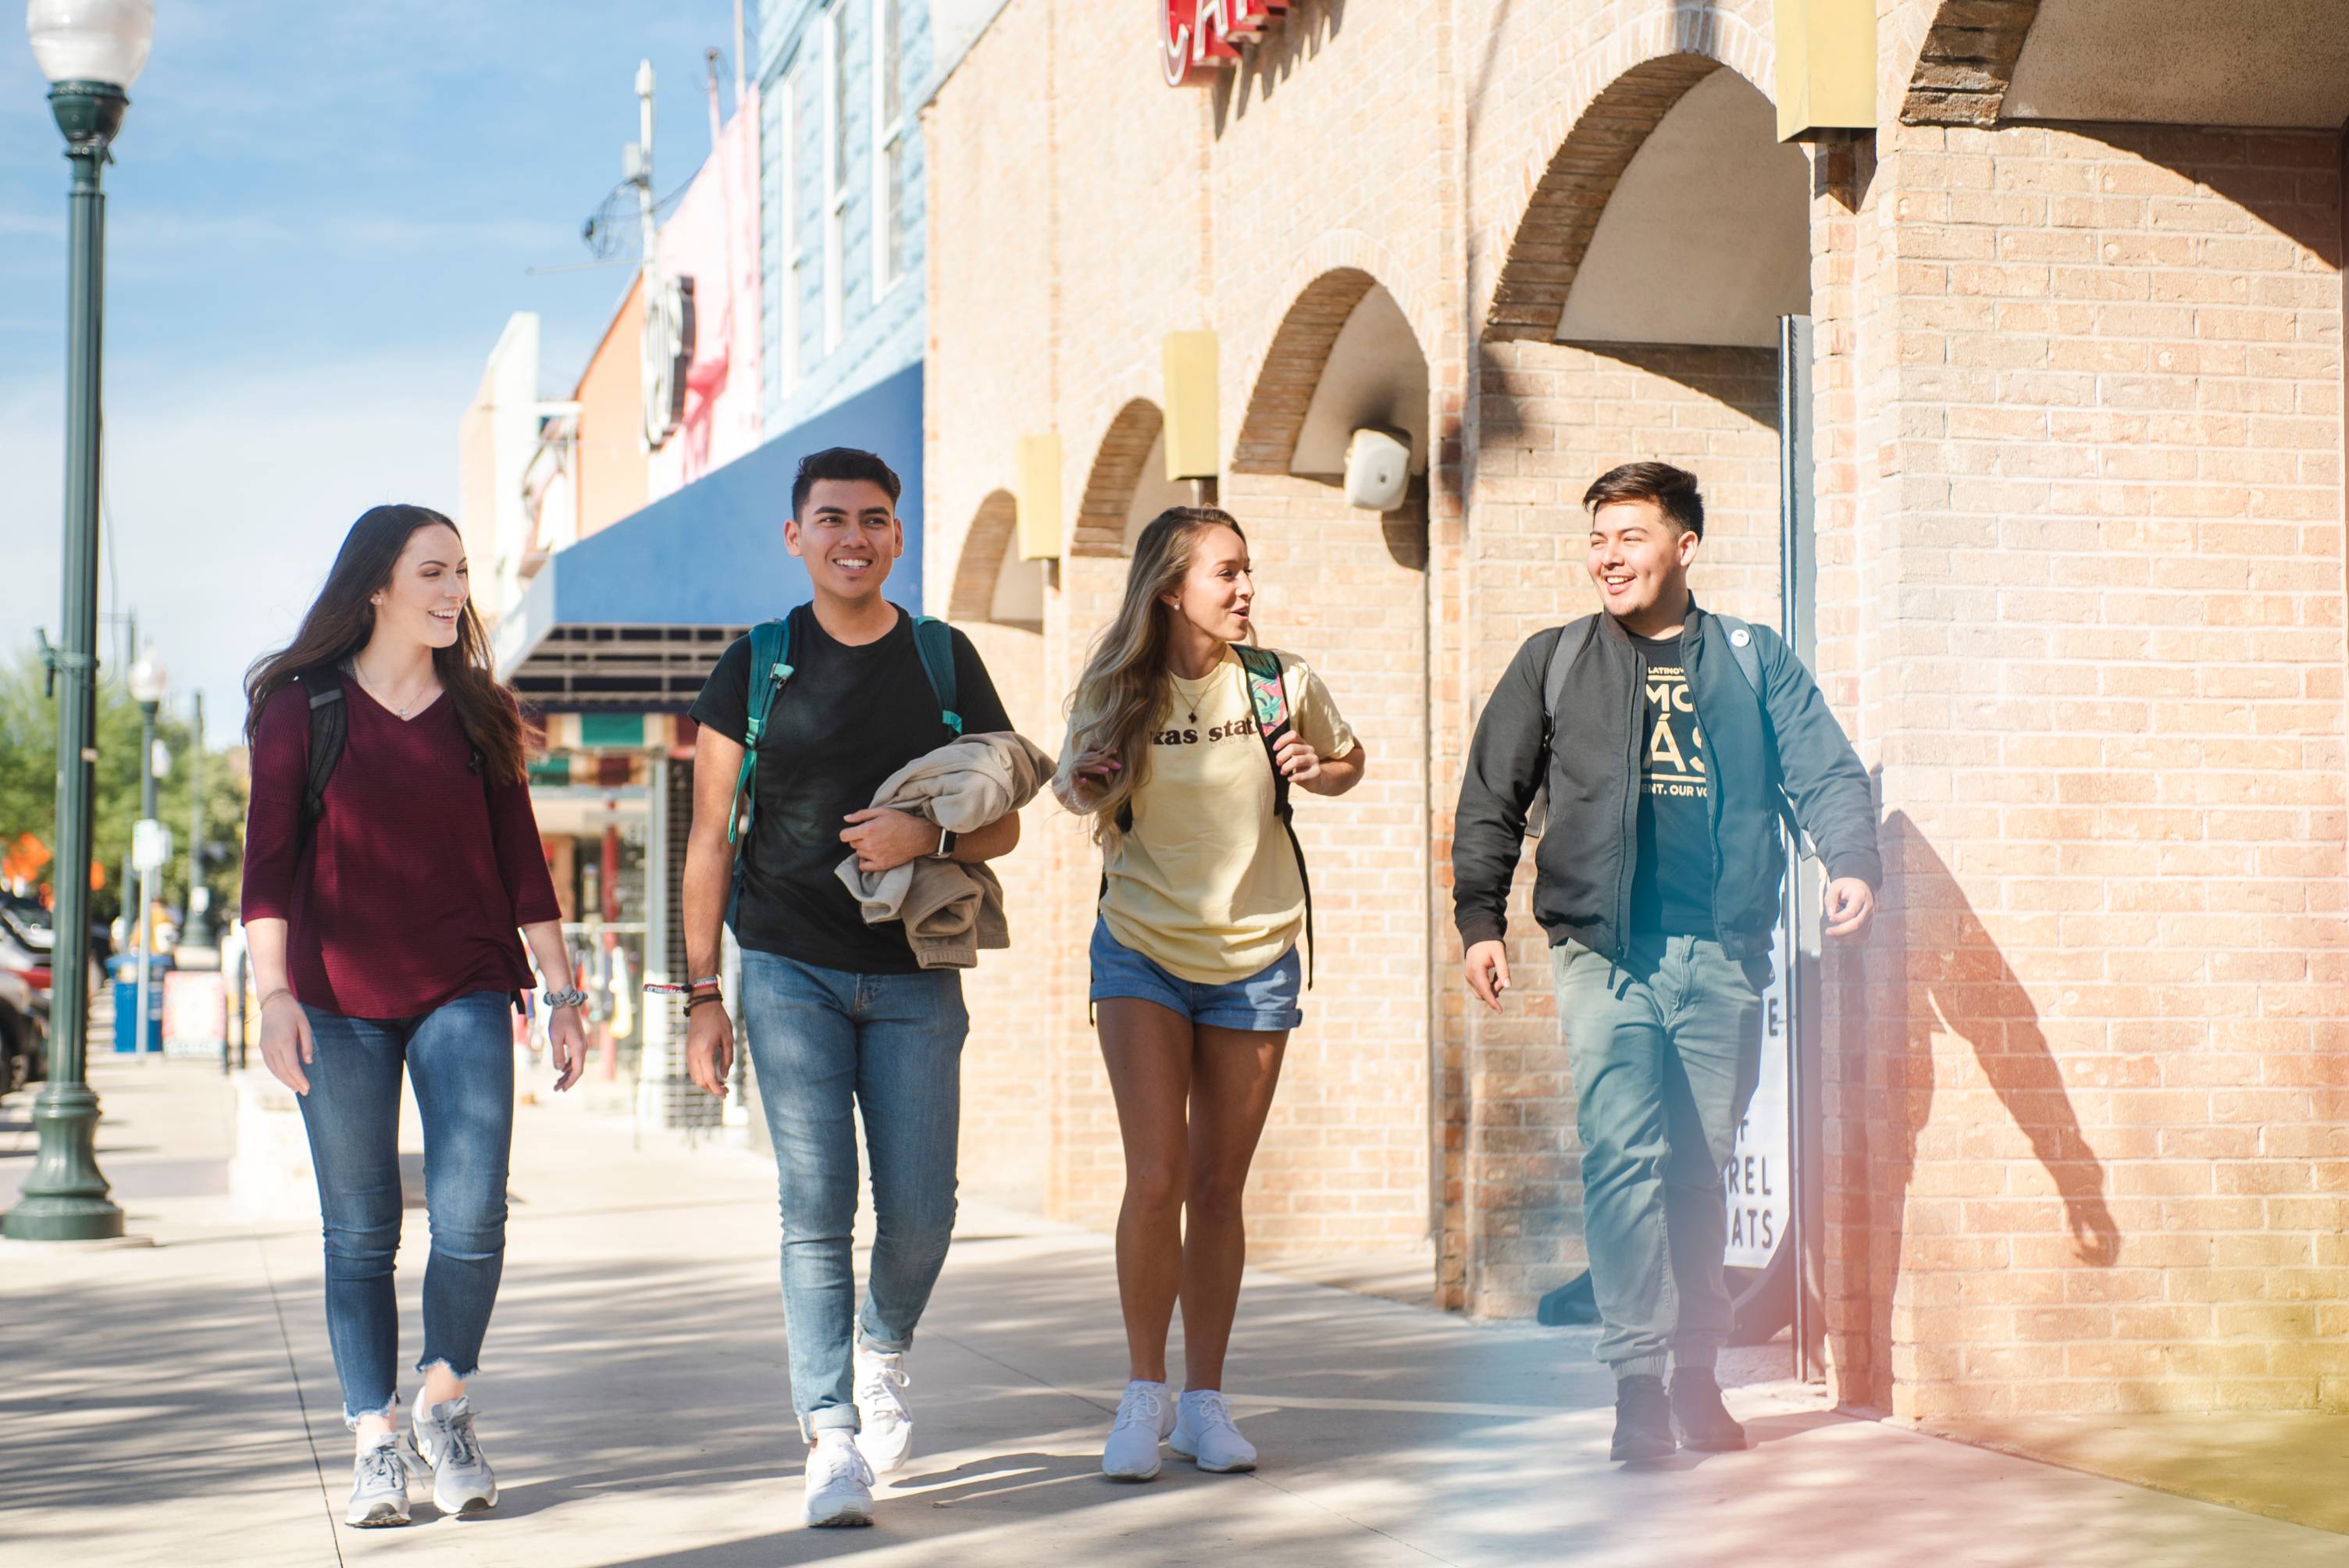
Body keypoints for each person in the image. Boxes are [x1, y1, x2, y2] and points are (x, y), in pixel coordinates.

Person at [1451, 461, 1880, 1463]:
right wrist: (1479, 920)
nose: (1607, 555)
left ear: (1682, 546)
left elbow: (1821, 769)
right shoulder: (1553, 660)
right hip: (1605, 954)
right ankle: (1636, 1383)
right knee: (1621, 1161)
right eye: (1597, 537)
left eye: (1629, 536)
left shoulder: (1749, 659)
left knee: (1699, 1172)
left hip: (1719, 953)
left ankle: (1696, 1373)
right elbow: (1491, 799)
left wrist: (1847, 858)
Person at [679, 447, 1025, 1529]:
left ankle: (881, 1348)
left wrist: (929, 829)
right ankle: (831, 1436)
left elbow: (1007, 813)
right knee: (815, 1207)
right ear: (797, 537)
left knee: (923, 1208)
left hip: (916, 971)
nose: (853, 538)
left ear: (898, 537)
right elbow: (706, 838)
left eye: (874, 519)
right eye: (831, 519)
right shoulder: (758, 662)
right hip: (786, 966)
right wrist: (701, 993)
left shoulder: (942, 657)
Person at [241, 504, 588, 1527]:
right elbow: (268, 867)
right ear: (377, 587)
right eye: (432, 573)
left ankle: (444, 1401)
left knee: (475, 1214)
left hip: (466, 985)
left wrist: (563, 995)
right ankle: (375, 1441)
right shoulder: (302, 707)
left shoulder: (481, 708)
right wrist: (272, 998)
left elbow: (527, 866)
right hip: (334, 1000)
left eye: (462, 574)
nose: (454, 592)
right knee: (359, 1231)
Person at [1056, 506, 1367, 1482]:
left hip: (1256, 953)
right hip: (1142, 949)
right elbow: (1070, 792)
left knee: (1217, 1186)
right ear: (1169, 588)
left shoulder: (1279, 681)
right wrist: (1087, 777)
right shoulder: (1117, 688)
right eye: (1224, 573)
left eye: (1246, 571)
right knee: (1155, 1173)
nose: (1244, 589)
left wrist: (1322, 771)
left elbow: (1348, 761)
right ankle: (1141, 1394)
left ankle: (1203, 1403)